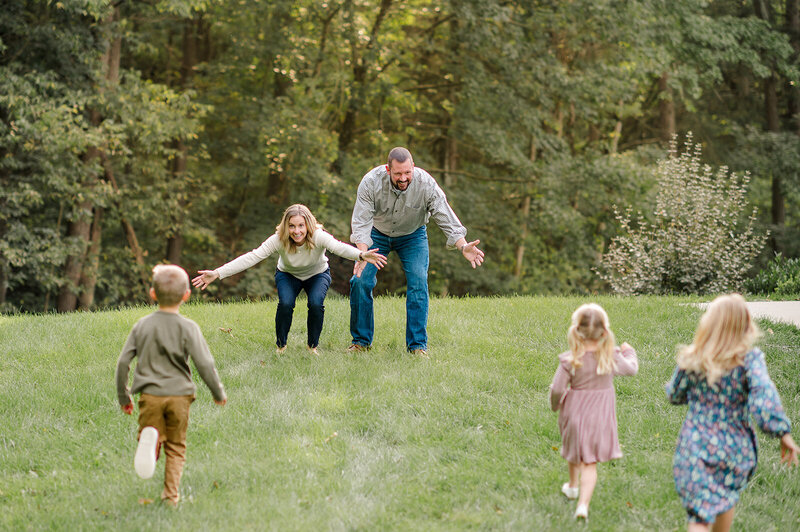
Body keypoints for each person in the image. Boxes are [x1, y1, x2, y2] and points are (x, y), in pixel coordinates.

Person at [666, 294, 799, 532]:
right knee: (725, 497)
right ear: (747, 329)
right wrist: (782, 432)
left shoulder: (694, 358)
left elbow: (675, 395)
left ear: (708, 325)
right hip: (734, 448)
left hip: (696, 444)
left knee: (700, 515)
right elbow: (763, 395)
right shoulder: (749, 361)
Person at [192, 204, 387, 355]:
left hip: (317, 274)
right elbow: (252, 256)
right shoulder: (278, 239)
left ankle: (312, 347)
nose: (296, 231)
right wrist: (218, 273)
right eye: (292, 226)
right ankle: (281, 345)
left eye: (301, 226)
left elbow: (339, 247)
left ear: (308, 225)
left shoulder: (318, 236)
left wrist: (361, 255)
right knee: (286, 303)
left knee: (316, 304)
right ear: (286, 226)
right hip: (288, 275)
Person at [348, 147, 485, 357]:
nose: (403, 178)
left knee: (419, 283)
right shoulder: (370, 182)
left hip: (413, 235)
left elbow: (444, 214)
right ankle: (361, 342)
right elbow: (361, 222)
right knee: (360, 280)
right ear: (388, 170)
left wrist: (462, 245)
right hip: (377, 233)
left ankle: (417, 346)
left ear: (413, 167)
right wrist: (362, 254)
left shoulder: (426, 183)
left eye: (407, 172)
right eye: (398, 174)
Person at [115, 264, 227, 507]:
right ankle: (170, 497)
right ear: (186, 295)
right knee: (176, 446)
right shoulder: (188, 327)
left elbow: (123, 362)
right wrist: (218, 392)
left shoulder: (142, 325)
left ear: (153, 294)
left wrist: (125, 398)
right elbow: (205, 363)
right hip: (180, 396)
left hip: (150, 396)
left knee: (151, 431)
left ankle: (152, 441)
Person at [548, 303, 638, 520]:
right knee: (589, 462)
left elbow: (557, 388)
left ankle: (572, 486)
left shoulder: (570, 359)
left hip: (574, 412)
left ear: (577, 330)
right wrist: (629, 351)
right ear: (604, 331)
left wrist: (555, 405)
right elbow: (631, 369)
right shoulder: (610, 356)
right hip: (600, 416)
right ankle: (582, 505)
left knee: (573, 449)